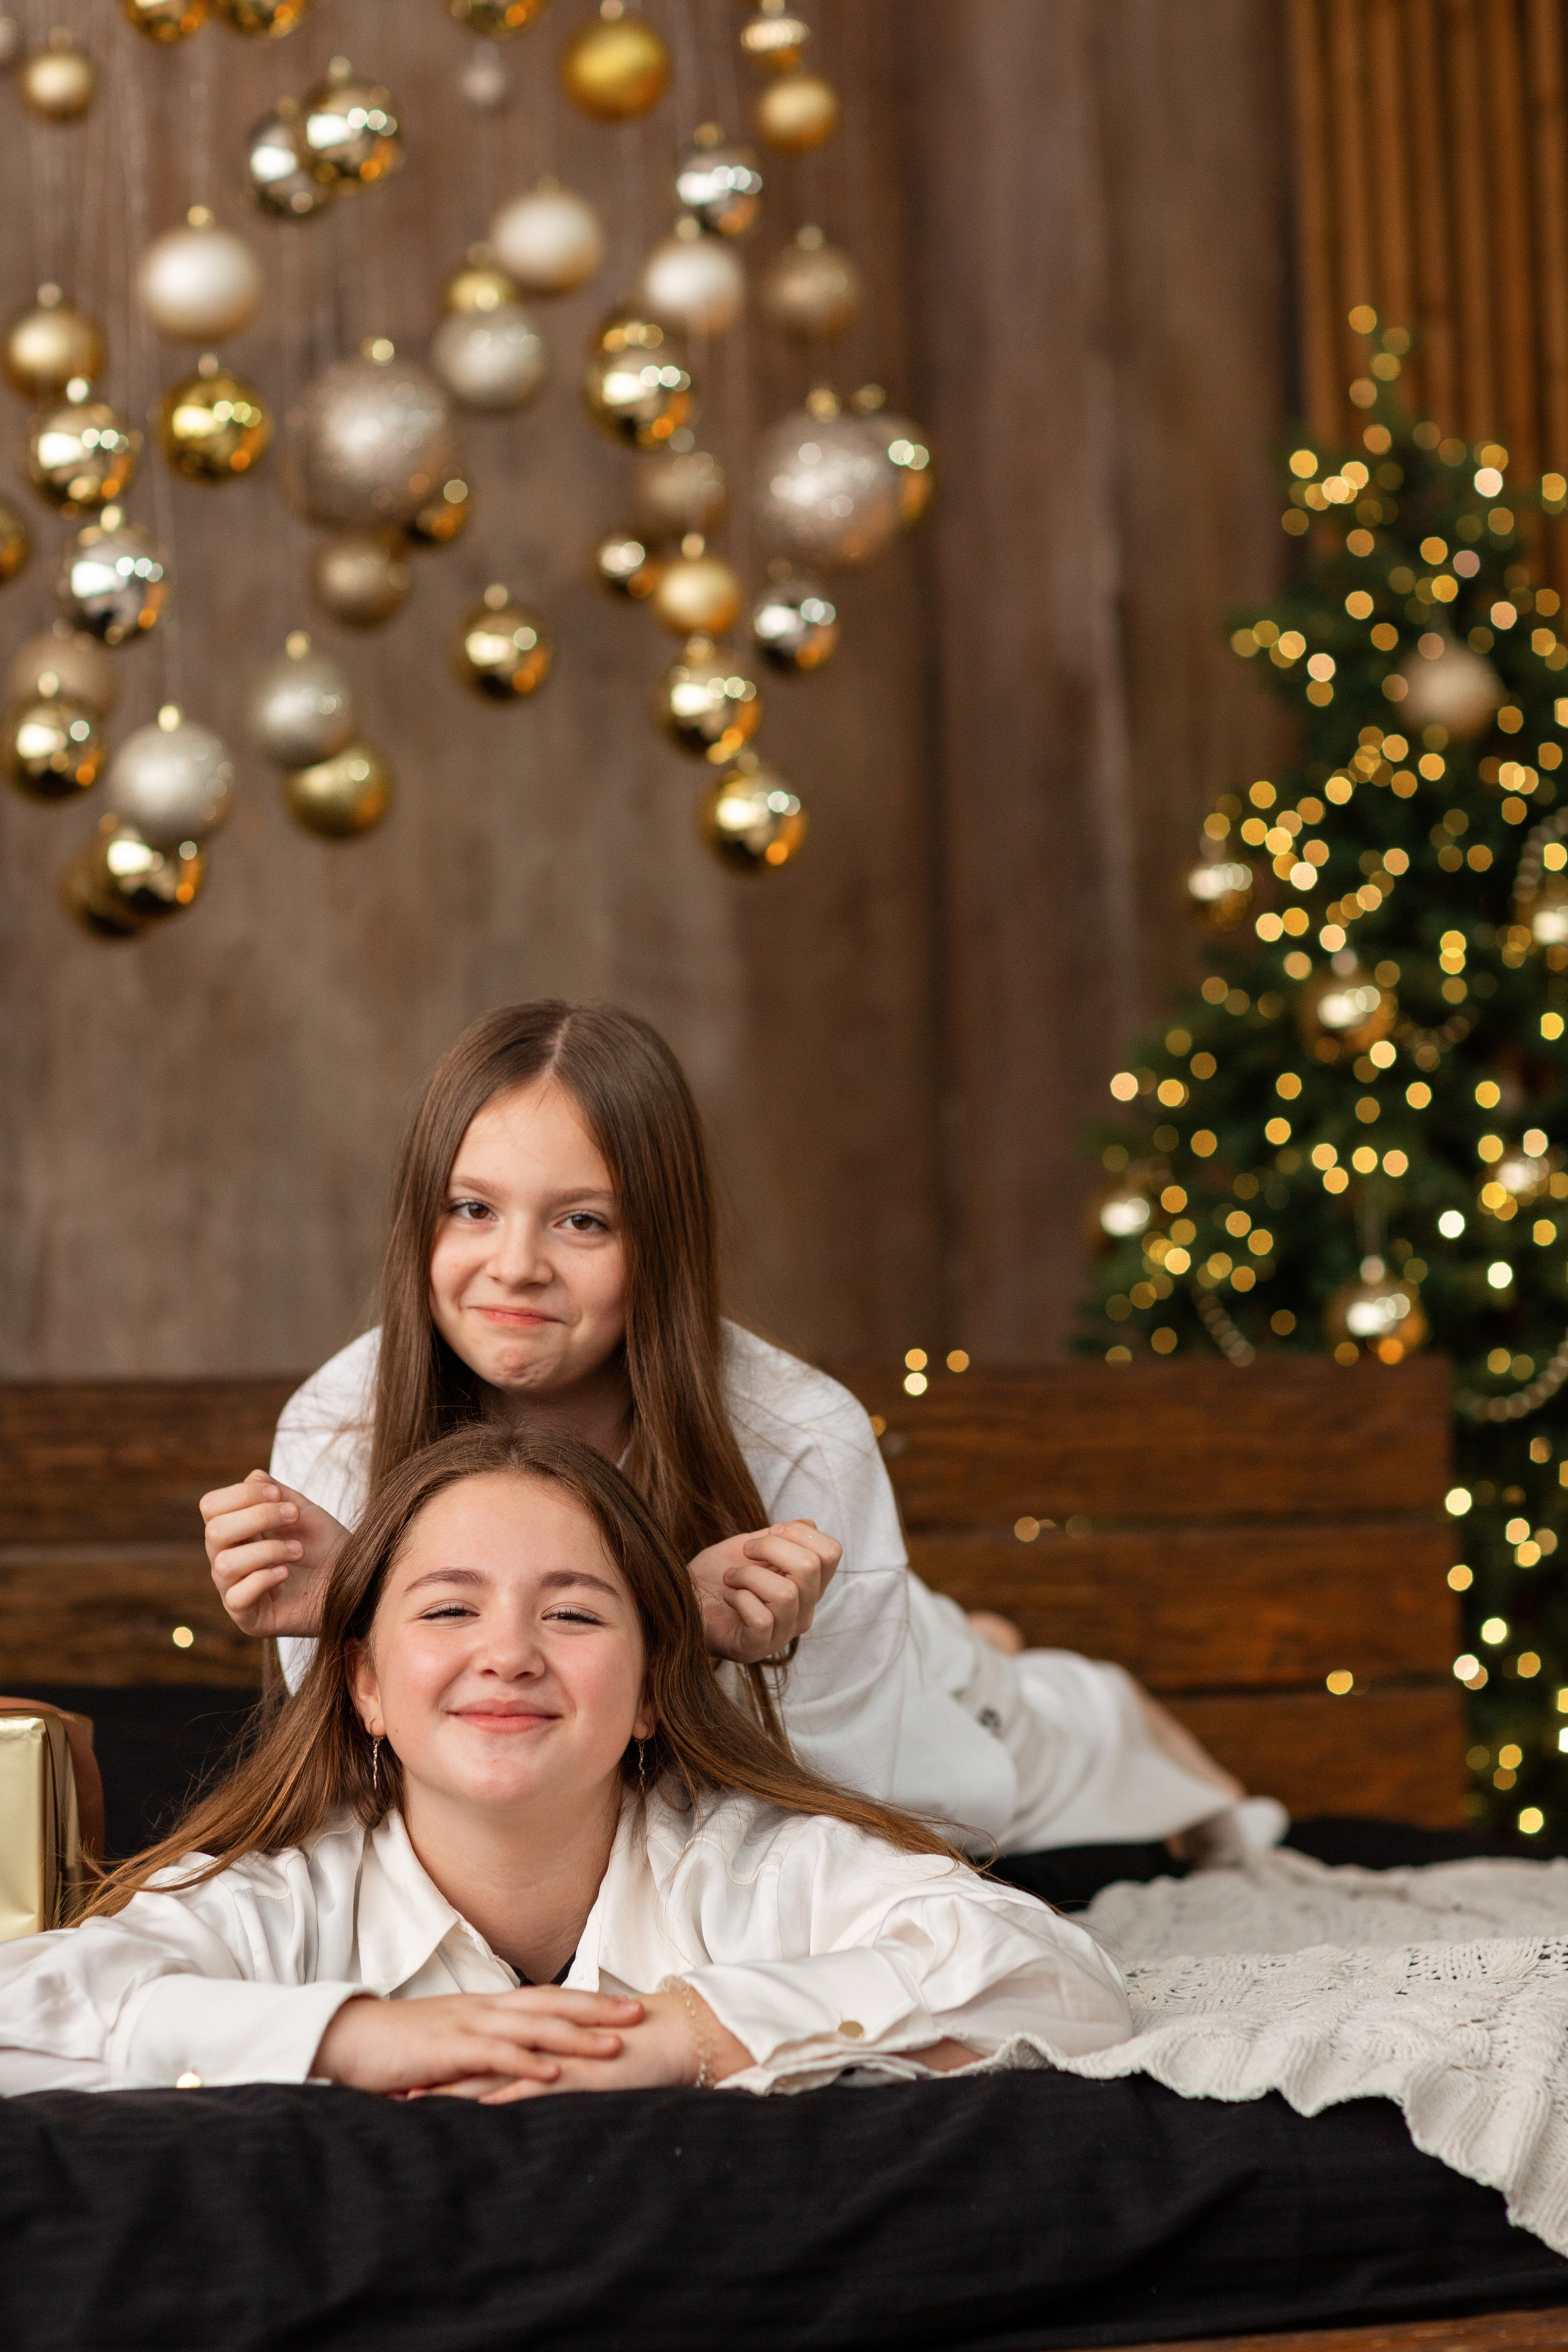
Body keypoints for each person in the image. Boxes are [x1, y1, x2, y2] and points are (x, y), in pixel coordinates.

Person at [202, 1001, 1280, 1859]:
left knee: (1036, 1740)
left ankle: (1039, 1680)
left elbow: (852, 1812)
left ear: (658, 1243)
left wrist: (702, 1650)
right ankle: (959, 1630)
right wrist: (356, 1603)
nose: (515, 1263)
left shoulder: (800, 1439)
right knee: (934, 1636)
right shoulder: (342, 1429)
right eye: (471, 1208)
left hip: (882, 1713)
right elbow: (384, 1788)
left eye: (582, 1221)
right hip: (794, 1659)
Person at [0, 1431, 1131, 2097]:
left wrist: (681, 2034)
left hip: (1028, 1736)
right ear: (366, 1687)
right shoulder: (284, 1895)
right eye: (449, 1609)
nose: (508, 1655)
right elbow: (23, 2007)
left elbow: (1061, 1980)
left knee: (1074, 1720)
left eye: (575, 1616)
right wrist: (351, 2036)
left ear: (650, 1690)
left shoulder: (743, 1868)